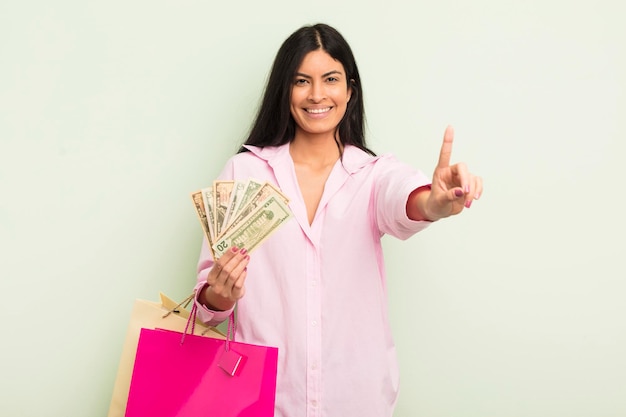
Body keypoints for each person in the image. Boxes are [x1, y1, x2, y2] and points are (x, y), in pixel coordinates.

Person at [193, 23, 483, 417]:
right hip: (263, 398)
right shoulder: (243, 173)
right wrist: (222, 294)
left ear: (349, 90)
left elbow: (407, 200)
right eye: (301, 81)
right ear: (285, 90)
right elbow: (207, 310)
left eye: (330, 79)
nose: (317, 95)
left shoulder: (373, 174)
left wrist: (435, 201)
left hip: (357, 399)